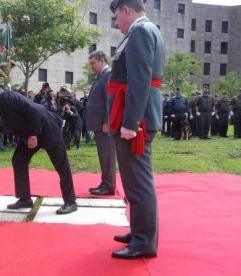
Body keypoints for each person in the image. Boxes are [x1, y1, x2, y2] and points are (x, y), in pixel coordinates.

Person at [107, 0, 164, 259]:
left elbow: (139, 79)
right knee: (134, 181)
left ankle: (144, 241)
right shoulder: (144, 31)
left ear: (126, 10)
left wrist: (131, 123)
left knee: (139, 183)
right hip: (134, 117)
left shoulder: (140, 31)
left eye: (117, 16)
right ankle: (139, 231)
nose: (116, 22)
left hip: (134, 121)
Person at [0, 91, 77, 215]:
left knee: (61, 165)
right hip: (28, 135)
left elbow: (33, 110)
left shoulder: (7, 98)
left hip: (46, 127)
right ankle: (25, 199)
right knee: (19, 160)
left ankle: (70, 202)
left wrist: (33, 135)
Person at [84, 50, 116, 196]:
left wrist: (107, 121)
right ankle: (105, 183)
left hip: (104, 125)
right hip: (99, 124)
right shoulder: (100, 76)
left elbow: (110, 100)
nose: (91, 66)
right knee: (103, 156)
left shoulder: (107, 74)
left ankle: (108, 186)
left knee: (107, 156)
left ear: (102, 60)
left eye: (93, 63)